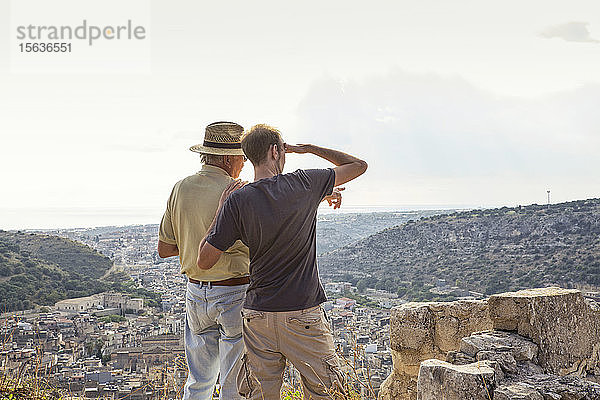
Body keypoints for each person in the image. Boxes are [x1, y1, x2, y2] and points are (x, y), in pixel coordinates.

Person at [196, 124, 368, 399]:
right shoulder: (303, 184)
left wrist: (220, 211)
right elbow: (358, 165)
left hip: (258, 316)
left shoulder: (238, 200)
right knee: (328, 392)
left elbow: (204, 260)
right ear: (276, 151)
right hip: (302, 313)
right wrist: (308, 148)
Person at [157, 121, 250, 400]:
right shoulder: (240, 192)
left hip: (196, 292)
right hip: (234, 291)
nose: (243, 164)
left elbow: (164, 248)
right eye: (242, 158)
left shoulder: (180, 188)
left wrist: (192, 246)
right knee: (233, 383)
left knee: (198, 381)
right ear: (228, 158)